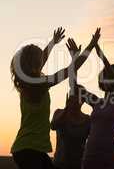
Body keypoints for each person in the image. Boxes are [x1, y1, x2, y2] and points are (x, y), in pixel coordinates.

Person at [10, 27, 99, 169]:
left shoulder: (27, 85)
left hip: (25, 148)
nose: (42, 60)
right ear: (35, 63)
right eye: (39, 59)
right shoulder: (40, 84)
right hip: (31, 149)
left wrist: (53, 43)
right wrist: (90, 47)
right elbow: (71, 69)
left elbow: (40, 60)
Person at [80, 28, 114, 169]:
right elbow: (76, 87)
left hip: (110, 154)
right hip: (90, 153)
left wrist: (100, 53)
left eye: (109, 76)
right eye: (106, 76)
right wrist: (75, 58)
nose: (107, 79)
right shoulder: (98, 102)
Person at [51, 38, 91, 169]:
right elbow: (53, 125)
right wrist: (74, 58)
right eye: (73, 95)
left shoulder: (87, 120)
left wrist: (76, 58)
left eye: (78, 97)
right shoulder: (59, 113)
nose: (74, 98)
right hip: (59, 165)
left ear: (83, 101)